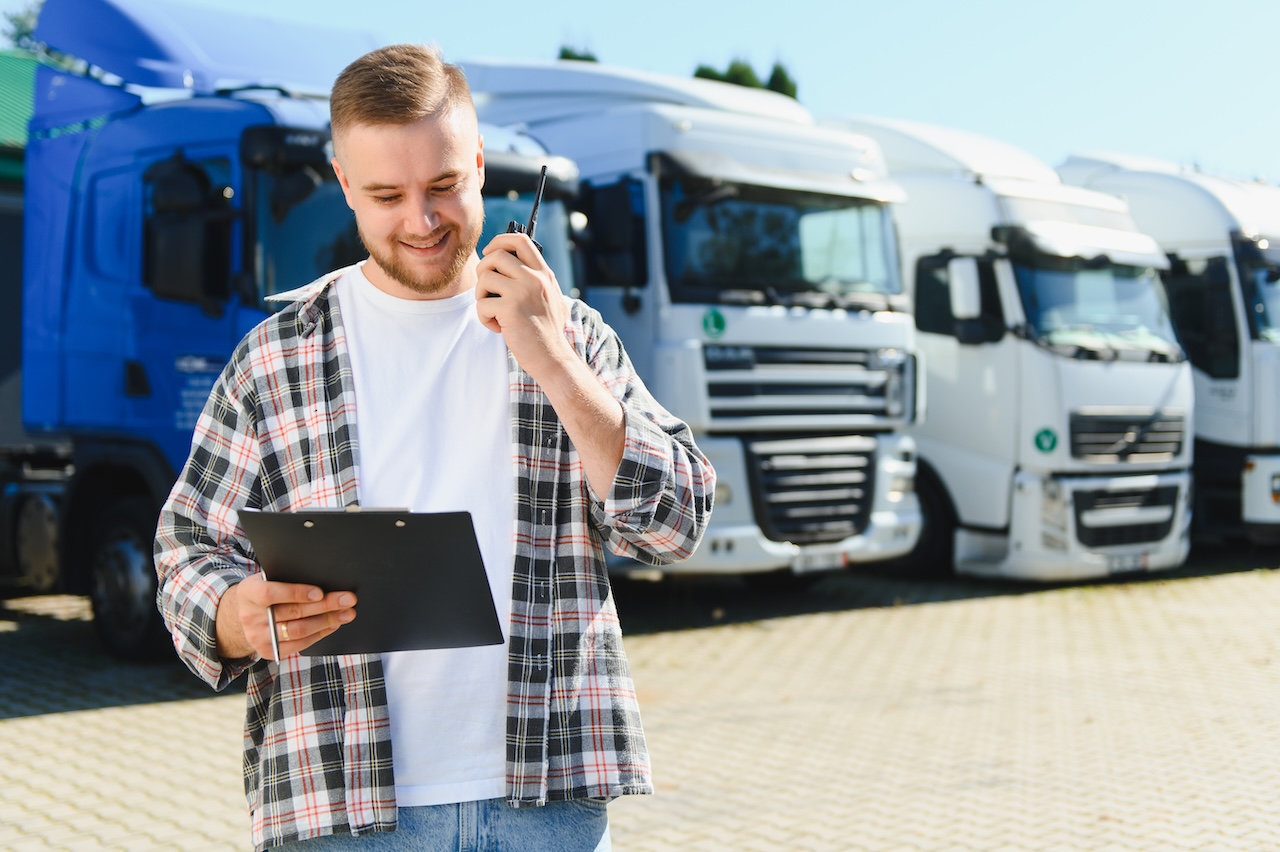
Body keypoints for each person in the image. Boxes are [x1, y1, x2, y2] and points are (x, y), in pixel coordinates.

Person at [154, 43, 715, 851]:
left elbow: (677, 523)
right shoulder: (275, 359)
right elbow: (187, 550)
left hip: (545, 799)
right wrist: (233, 616)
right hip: (338, 803)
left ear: (481, 166)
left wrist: (551, 358)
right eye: (387, 194)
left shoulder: (571, 335)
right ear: (344, 186)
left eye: (445, 186)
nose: (421, 221)